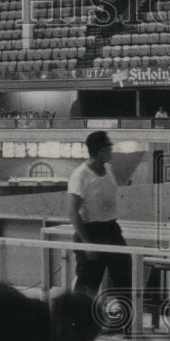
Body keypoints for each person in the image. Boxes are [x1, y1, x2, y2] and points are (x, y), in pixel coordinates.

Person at [67, 131, 132, 320]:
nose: (112, 150)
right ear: (102, 151)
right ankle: (77, 323)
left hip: (111, 229)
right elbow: (72, 212)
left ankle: (125, 322)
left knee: (124, 275)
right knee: (88, 283)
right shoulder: (80, 175)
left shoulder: (108, 169)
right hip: (91, 232)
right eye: (109, 147)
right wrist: (87, 244)